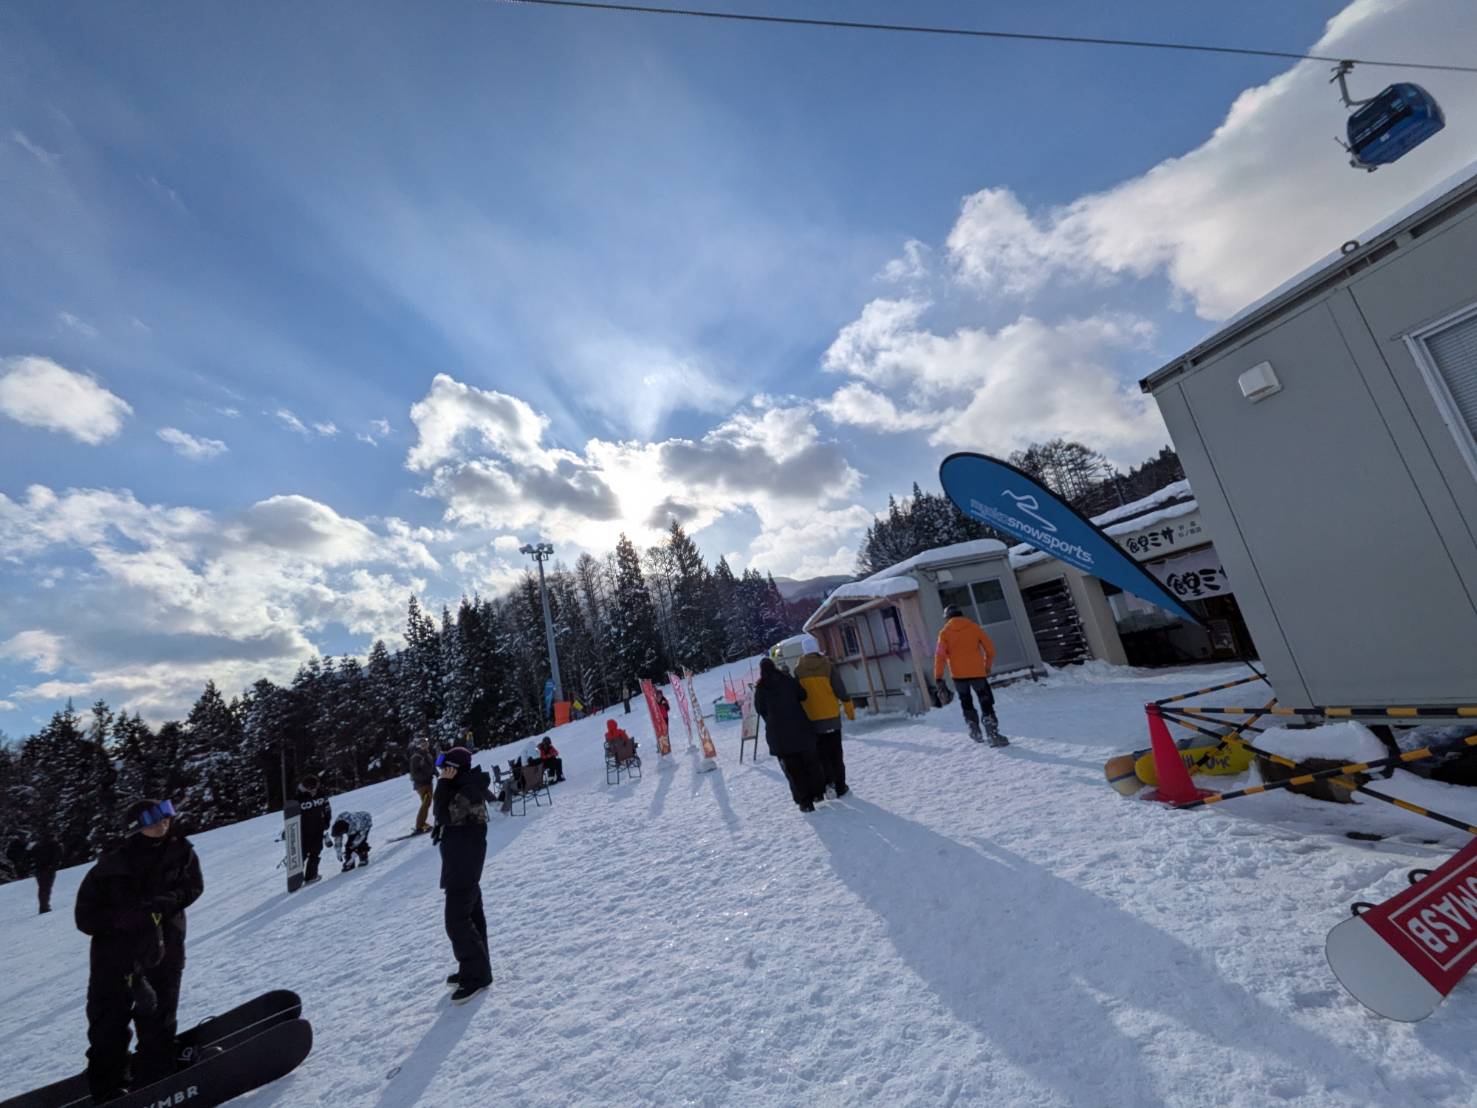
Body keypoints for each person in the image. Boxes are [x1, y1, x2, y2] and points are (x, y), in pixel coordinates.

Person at [75, 798, 203, 1103]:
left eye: (166, 818)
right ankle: (108, 1092)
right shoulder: (109, 866)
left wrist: (165, 902)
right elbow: (85, 917)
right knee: (108, 1027)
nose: (163, 824)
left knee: (158, 1023)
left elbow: (193, 887)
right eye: (154, 820)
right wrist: (122, 920)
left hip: (163, 951)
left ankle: (155, 1086)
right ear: (135, 827)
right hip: (113, 960)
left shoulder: (181, 851)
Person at [432, 747, 495, 1004]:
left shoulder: (467, 789)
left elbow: (442, 814)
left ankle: (477, 976)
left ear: (454, 768)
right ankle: (477, 970)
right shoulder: (463, 784)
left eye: (443, 767)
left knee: (456, 921)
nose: (440, 771)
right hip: (461, 860)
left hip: (464, 862)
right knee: (471, 917)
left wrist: (443, 785)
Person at [753, 657, 824, 813]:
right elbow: (803, 695)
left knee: (793, 771)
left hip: (780, 737)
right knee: (811, 764)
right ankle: (818, 794)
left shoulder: (761, 688)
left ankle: (805, 802)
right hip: (801, 730)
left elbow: (759, 709)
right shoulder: (788, 681)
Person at [934, 604, 1009, 747]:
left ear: (947, 618)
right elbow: (990, 650)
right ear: (961, 615)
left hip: (958, 676)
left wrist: (938, 677)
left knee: (966, 702)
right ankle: (993, 733)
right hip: (978, 673)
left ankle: (974, 730)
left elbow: (939, 656)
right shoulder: (974, 628)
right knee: (986, 701)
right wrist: (986, 667)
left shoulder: (944, 633)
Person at [794, 639, 854, 798]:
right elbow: (839, 688)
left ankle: (829, 784)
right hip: (832, 717)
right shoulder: (828, 666)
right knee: (836, 754)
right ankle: (841, 786)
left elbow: (798, 695)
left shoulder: (798, 670)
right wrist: (848, 706)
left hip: (812, 720)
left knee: (821, 755)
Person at [295, 775, 332, 885]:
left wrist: (326, 822)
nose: (314, 791)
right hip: (303, 830)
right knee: (303, 853)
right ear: (306, 788)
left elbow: (327, 809)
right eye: (312, 789)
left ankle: (311, 876)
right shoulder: (299, 797)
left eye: (315, 788)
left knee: (316, 851)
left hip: (318, 827)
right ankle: (296, 876)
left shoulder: (321, 794)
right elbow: (291, 815)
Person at [408, 738, 436, 835]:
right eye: (422, 744)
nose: (425, 746)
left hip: (428, 783)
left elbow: (432, 767)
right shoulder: (416, 757)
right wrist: (425, 776)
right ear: (419, 746)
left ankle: (423, 824)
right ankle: (420, 825)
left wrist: (436, 773)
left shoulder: (428, 755)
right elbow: (414, 773)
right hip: (421, 784)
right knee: (426, 802)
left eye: (426, 744)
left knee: (427, 804)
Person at [32, 828, 62, 913]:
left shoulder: (38, 845)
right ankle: (44, 906)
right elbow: (57, 856)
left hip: (39, 870)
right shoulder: (54, 844)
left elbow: (31, 856)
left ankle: (43, 905)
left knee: (42, 888)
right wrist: (53, 866)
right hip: (48, 869)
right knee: (46, 888)